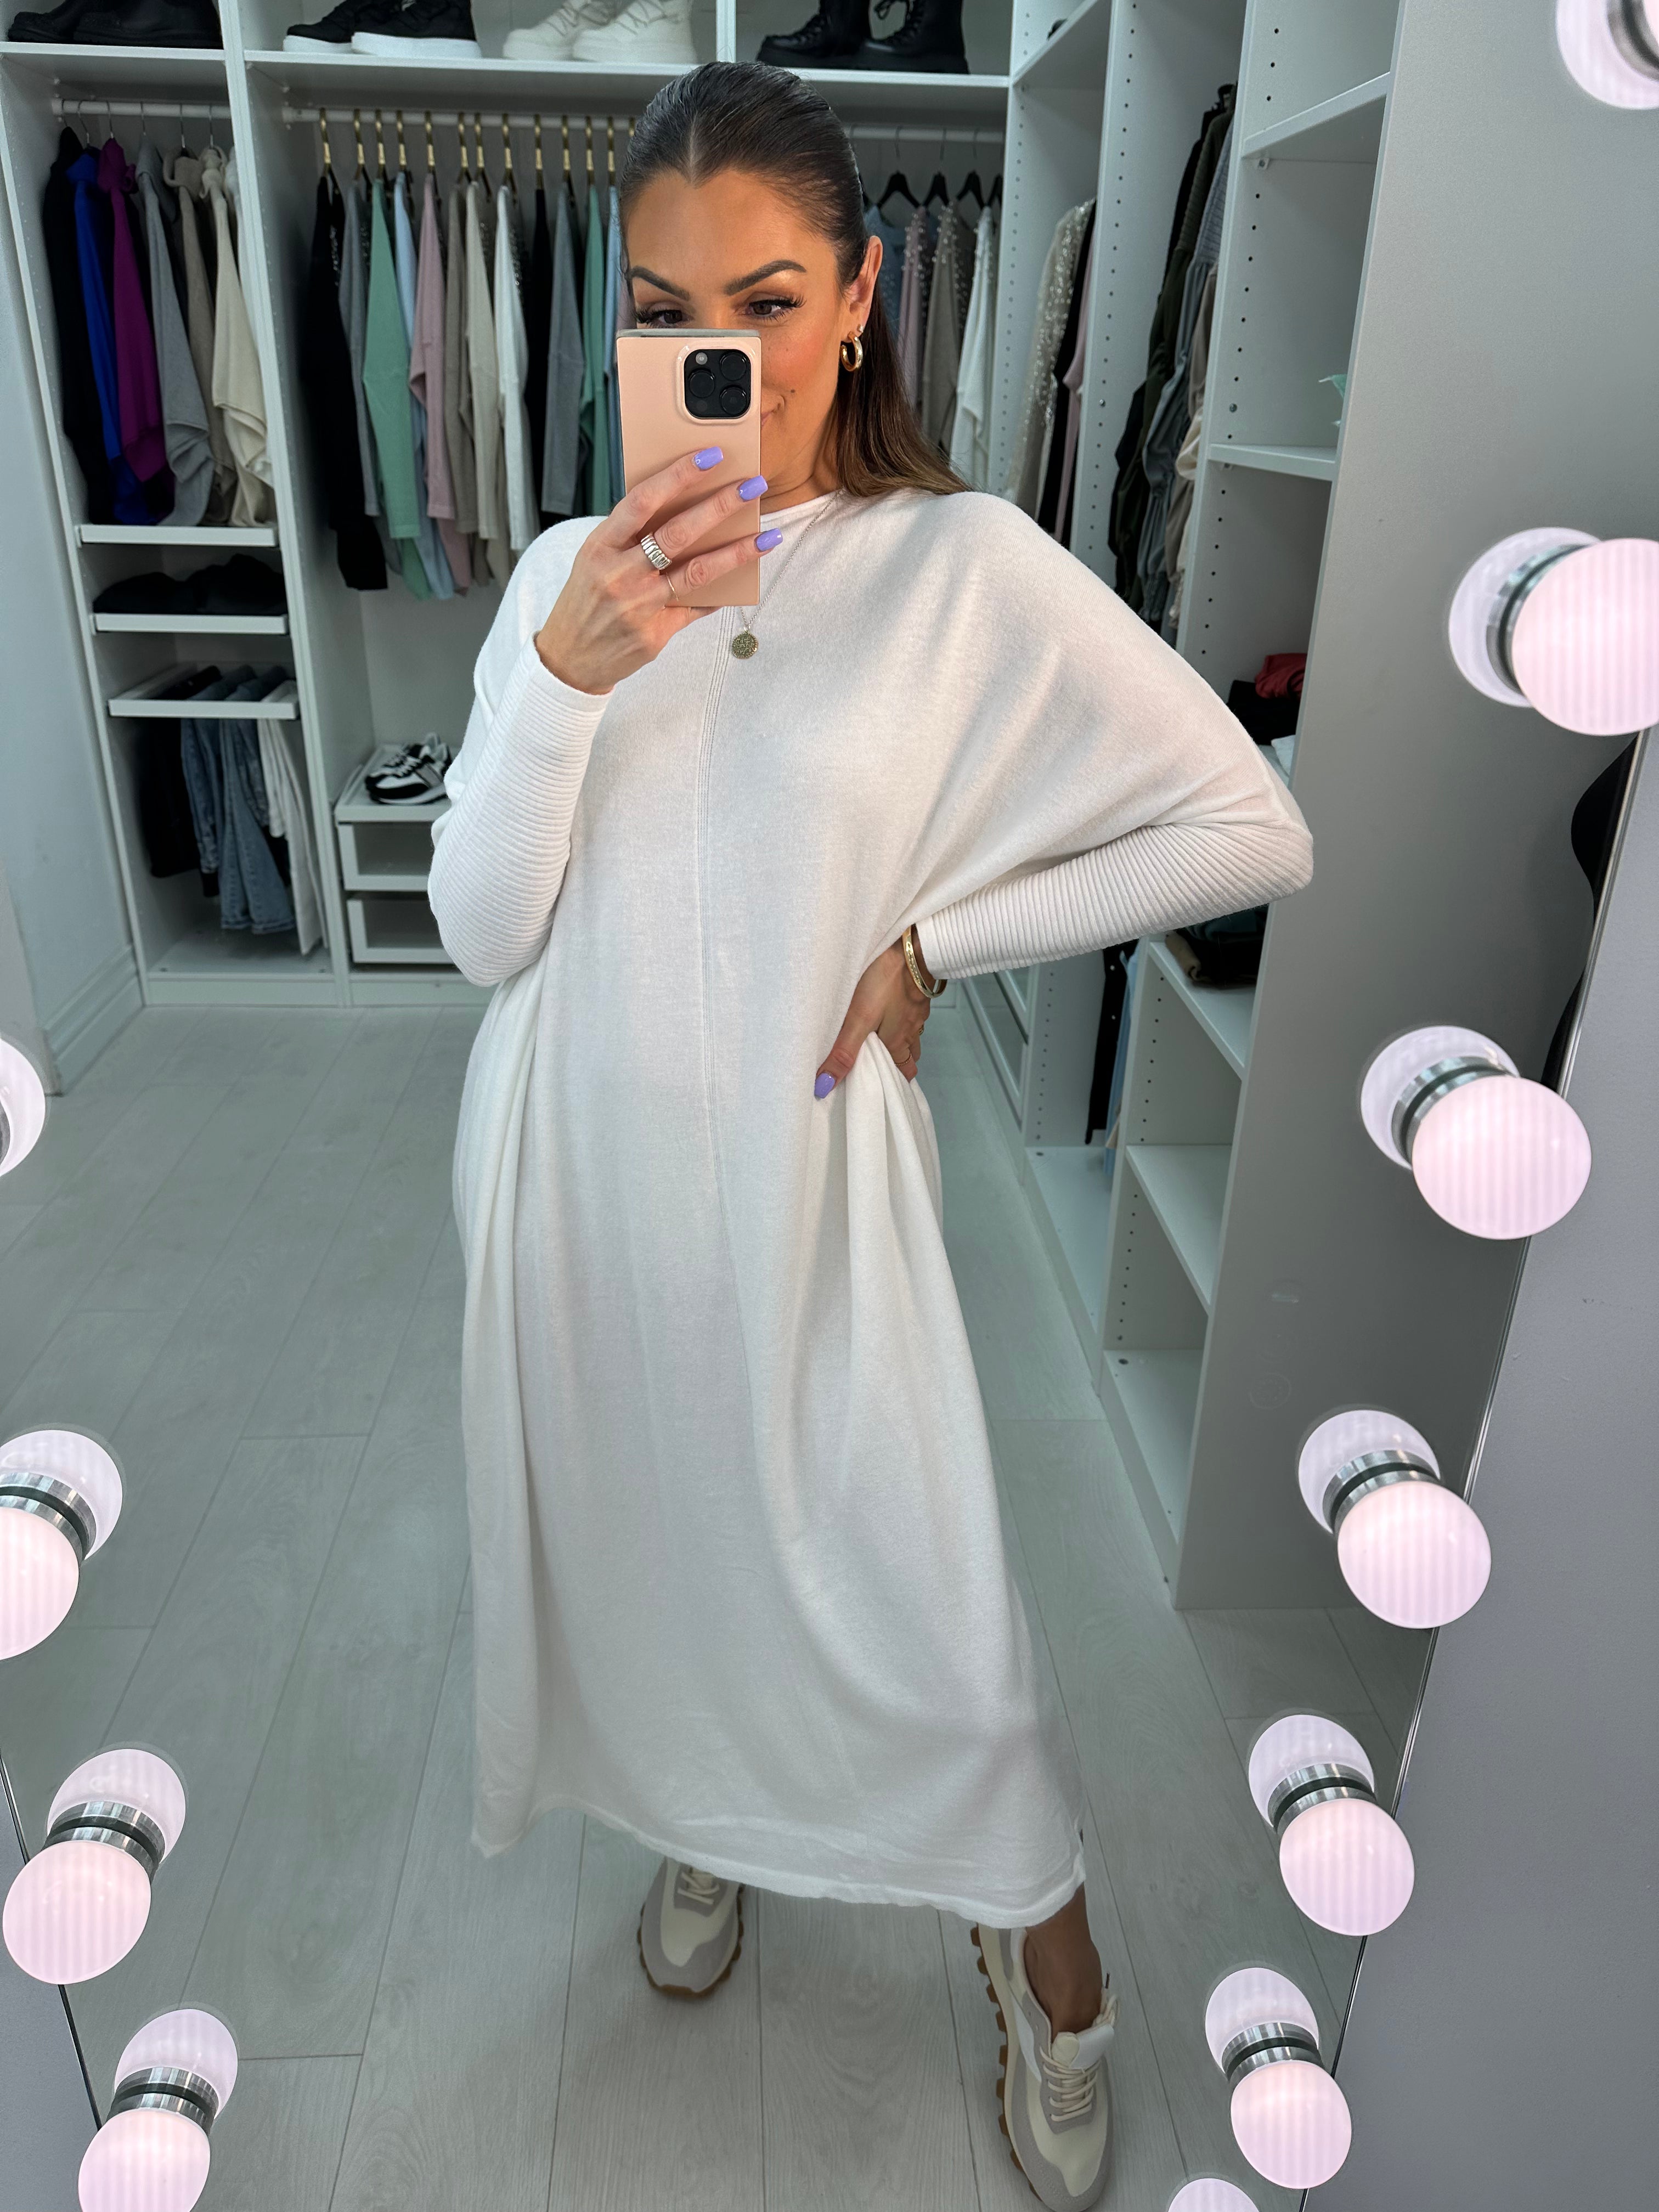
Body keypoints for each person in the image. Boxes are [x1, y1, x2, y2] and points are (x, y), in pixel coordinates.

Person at [428, 61, 1311, 2212]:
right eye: (662, 313)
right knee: (650, 1558)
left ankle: (1053, 1966)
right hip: (576, 1190)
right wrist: (568, 670)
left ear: (858, 298)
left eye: (763, 299)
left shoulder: (957, 571)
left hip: (809, 1195)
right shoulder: (561, 574)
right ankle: (708, 1818)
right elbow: (480, 932)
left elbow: (1247, 825)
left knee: (924, 1608)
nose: (711, 354)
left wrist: (937, 943)